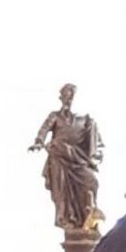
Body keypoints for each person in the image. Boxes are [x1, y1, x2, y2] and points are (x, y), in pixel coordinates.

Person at [31, 85, 102, 231]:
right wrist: (39, 142)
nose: (68, 100)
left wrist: (97, 154)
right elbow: (44, 129)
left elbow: (97, 143)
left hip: (78, 158)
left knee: (91, 181)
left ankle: (89, 216)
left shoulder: (86, 121)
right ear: (61, 98)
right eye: (65, 96)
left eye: (71, 97)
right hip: (58, 156)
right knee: (61, 192)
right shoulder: (55, 116)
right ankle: (68, 220)